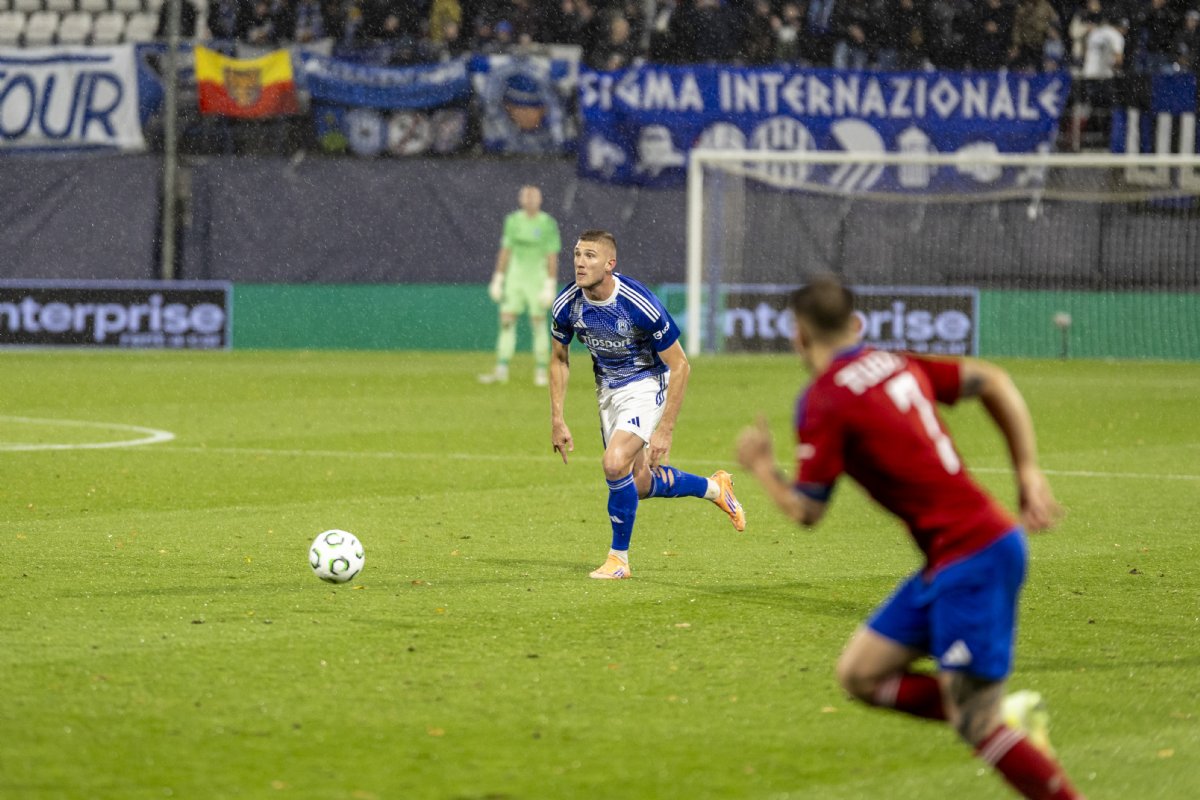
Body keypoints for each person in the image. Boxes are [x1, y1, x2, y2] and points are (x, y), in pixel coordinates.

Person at [735, 276, 1085, 800]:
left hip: (974, 556)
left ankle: (999, 726)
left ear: (798, 335)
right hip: (958, 553)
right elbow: (992, 379)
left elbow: (807, 510)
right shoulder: (894, 361)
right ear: (856, 325)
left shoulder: (824, 400)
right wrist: (1028, 470)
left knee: (978, 725)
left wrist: (762, 467)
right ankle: (995, 714)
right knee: (859, 675)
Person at [549, 229, 746, 579]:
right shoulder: (567, 304)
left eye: (590, 255)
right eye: (577, 254)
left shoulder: (637, 302)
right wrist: (557, 418)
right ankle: (716, 488)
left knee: (614, 463)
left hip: (647, 384)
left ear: (610, 264)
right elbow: (559, 359)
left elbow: (680, 365)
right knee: (638, 484)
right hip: (608, 391)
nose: (580, 262)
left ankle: (618, 560)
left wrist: (665, 430)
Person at [480, 186, 562, 387]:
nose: (530, 200)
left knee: (538, 323)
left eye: (534, 196)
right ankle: (501, 369)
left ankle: (541, 371)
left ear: (540, 199)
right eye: (526, 196)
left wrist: (550, 284)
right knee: (506, 321)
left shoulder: (547, 223)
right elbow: (505, 250)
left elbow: (552, 255)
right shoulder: (513, 221)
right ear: (521, 199)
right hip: (515, 278)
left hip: (537, 279)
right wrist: (498, 278)